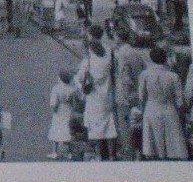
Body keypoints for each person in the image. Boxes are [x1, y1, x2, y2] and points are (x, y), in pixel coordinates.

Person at [138, 46, 188, 160]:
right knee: (173, 147)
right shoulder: (173, 76)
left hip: (151, 109)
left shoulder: (145, 74)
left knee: (153, 147)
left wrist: (141, 111)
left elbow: (141, 96)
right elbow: (180, 100)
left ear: (151, 58)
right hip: (169, 110)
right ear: (165, 58)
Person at [76, 27, 118, 161]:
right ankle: (112, 155)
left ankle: (99, 155)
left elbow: (81, 78)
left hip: (94, 96)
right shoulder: (108, 51)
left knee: (96, 127)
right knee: (109, 125)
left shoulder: (88, 59)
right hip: (107, 94)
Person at [113, 28, 148, 160]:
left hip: (125, 99)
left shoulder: (122, 54)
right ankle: (139, 154)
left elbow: (125, 78)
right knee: (136, 124)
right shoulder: (136, 53)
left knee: (126, 126)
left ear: (120, 39)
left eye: (115, 38)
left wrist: (126, 95)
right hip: (137, 95)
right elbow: (144, 69)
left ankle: (128, 155)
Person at [47, 70, 76, 160]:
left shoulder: (56, 88)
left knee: (56, 129)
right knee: (68, 130)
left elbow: (54, 103)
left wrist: (54, 110)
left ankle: (55, 152)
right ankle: (69, 153)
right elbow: (73, 103)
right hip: (68, 110)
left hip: (59, 111)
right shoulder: (72, 89)